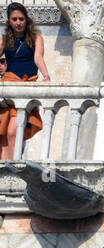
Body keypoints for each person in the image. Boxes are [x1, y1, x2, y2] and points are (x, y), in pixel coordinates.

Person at [0, 3, 48, 160]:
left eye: (21, 19)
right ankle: (5, 165)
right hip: (9, 84)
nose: (18, 22)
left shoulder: (36, 38)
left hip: (25, 85)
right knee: (4, 131)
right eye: (14, 19)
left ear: (27, 20)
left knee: (13, 131)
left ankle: (14, 166)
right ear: (9, 21)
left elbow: (38, 58)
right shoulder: (4, 39)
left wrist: (46, 76)